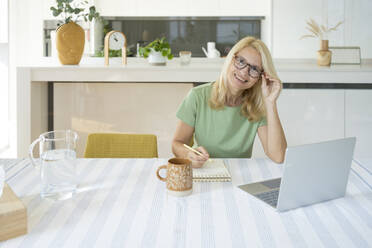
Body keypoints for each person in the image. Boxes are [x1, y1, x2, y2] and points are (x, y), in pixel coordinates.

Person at [172, 37, 287, 168]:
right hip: (205, 171)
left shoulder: (257, 106)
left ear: (261, 78)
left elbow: (278, 156)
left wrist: (271, 103)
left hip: (240, 175)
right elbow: (177, 143)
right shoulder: (197, 96)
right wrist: (188, 154)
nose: (244, 72)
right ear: (230, 59)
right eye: (241, 61)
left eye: (254, 69)